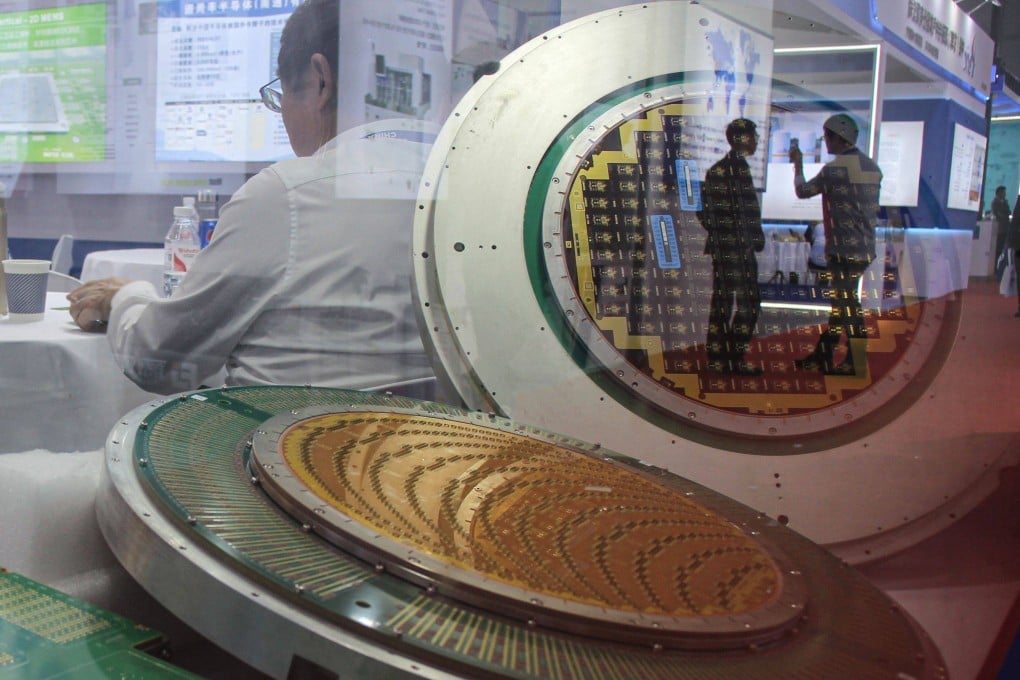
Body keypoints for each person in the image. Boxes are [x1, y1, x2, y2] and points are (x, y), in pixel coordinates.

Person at [67, 0, 434, 395]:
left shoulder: (286, 195)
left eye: (280, 97)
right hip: (450, 434)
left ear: (321, 80)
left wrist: (126, 297)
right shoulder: (464, 185)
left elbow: (158, 362)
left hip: (287, 433)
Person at [789, 113, 882, 375]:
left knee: (847, 307)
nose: (826, 141)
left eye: (827, 137)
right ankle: (823, 355)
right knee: (842, 306)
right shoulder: (872, 167)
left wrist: (798, 165)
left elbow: (802, 191)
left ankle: (855, 362)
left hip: (843, 251)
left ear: (838, 138)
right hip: (863, 248)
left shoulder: (835, 169)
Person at [697, 118, 765, 374]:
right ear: (741, 138)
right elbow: (734, 212)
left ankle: (720, 358)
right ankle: (730, 358)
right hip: (737, 249)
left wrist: (721, 235)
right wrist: (738, 237)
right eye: (753, 136)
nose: (756, 141)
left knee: (724, 303)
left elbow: (704, 212)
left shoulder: (722, 169)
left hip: (728, 247)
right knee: (744, 304)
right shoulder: (732, 170)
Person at [992, 185, 1012, 259]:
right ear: (999, 193)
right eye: (1004, 192)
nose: (1005, 194)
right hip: (999, 229)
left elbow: (1009, 212)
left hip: (1006, 228)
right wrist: (1005, 214)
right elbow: (998, 214)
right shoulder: (995, 202)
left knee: (1003, 247)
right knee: (998, 248)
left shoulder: (1005, 202)